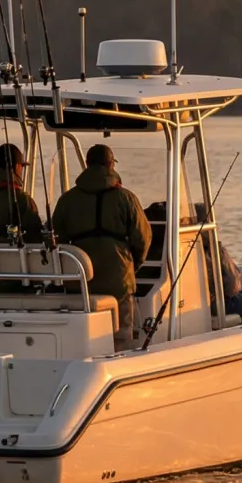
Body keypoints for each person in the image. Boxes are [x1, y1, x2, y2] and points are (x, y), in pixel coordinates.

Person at [51, 144, 151, 349]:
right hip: (119, 280)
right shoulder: (127, 198)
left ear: (87, 165)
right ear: (110, 165)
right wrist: (133, 266)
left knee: (82, 338)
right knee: (121, 339)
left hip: (80, 284)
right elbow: (143, 238)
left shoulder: (67, 200)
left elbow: (55, 240)